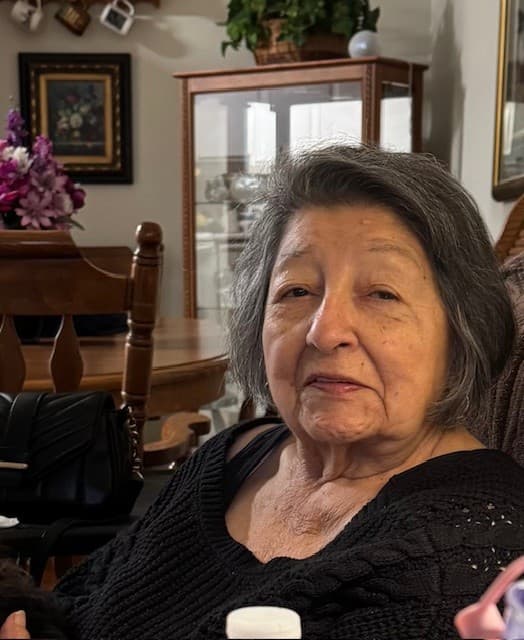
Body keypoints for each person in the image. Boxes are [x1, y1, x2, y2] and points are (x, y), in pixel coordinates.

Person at [5, 144, 524, 639]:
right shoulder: (235, 455)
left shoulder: (465, 555)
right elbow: (78, 603)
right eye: (296, 291)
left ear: (463, 330)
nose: (324, 330)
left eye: (382, 294)